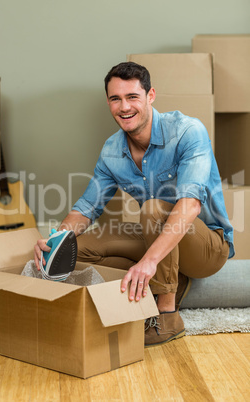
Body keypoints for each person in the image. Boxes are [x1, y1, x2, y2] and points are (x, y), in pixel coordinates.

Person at [34, 62, 234, 346]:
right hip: (157, 236)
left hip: (206, 245)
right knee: (76, 252)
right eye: (116, 99)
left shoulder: (188, 131)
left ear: (150, 95)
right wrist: (55, 240)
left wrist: (149, 262)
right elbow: (87, 208)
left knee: (152, 209)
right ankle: (170, 281)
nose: (124, 107)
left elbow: (190, 206)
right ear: (108, 102)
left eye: (132, 97)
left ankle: (167, 315)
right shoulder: (111, 151)